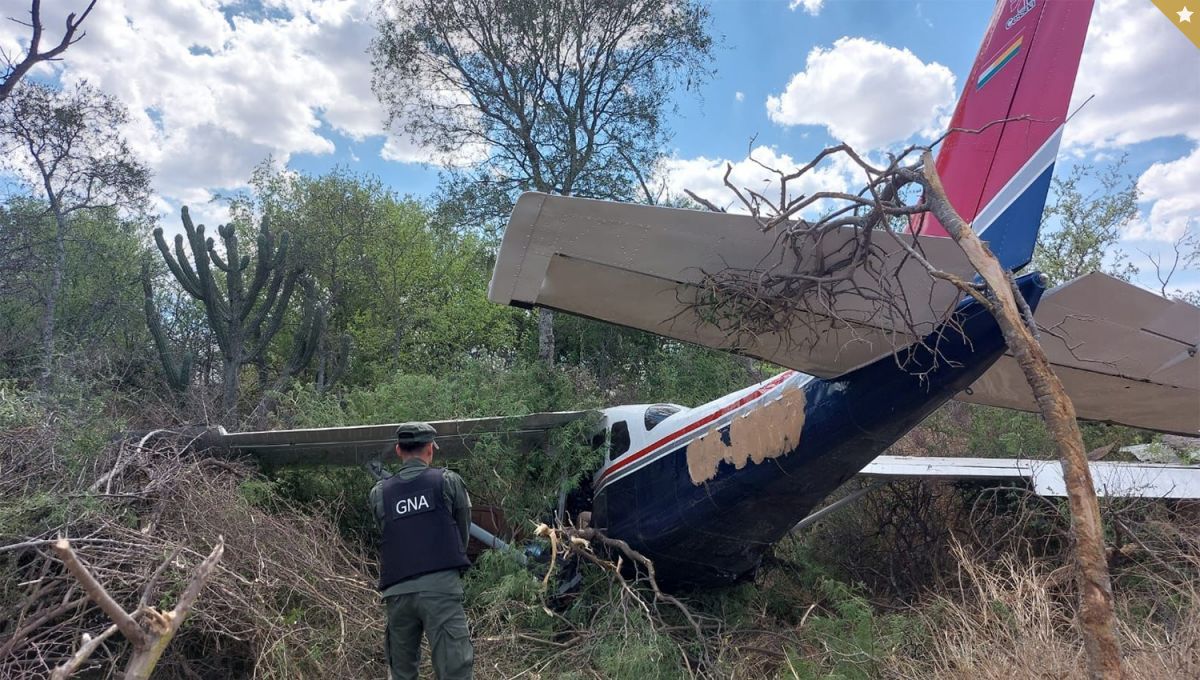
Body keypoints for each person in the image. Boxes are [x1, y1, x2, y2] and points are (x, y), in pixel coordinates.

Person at [370, 422, 474, 680]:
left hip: (398, 593)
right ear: (430, 449)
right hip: (440, 589)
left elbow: (388, 532)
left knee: (401, 673)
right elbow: (462, 532)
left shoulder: (379, 493)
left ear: (398, 450)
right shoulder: (447, 481)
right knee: (454, 670)